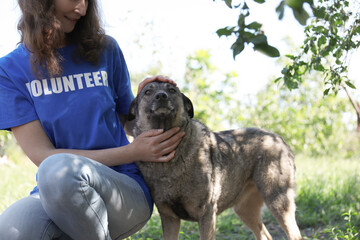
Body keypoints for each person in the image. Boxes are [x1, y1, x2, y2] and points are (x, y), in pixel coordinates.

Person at [0, 0, 185, 239]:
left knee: (58, 171)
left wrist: (145, 102)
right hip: (56, 188)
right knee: (10, 229)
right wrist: (133, 151)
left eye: (88, 0)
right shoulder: (9, 70)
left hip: (123, 186)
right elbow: (41, 155)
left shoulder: (105, 48)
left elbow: (129, 122)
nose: (83, 8)